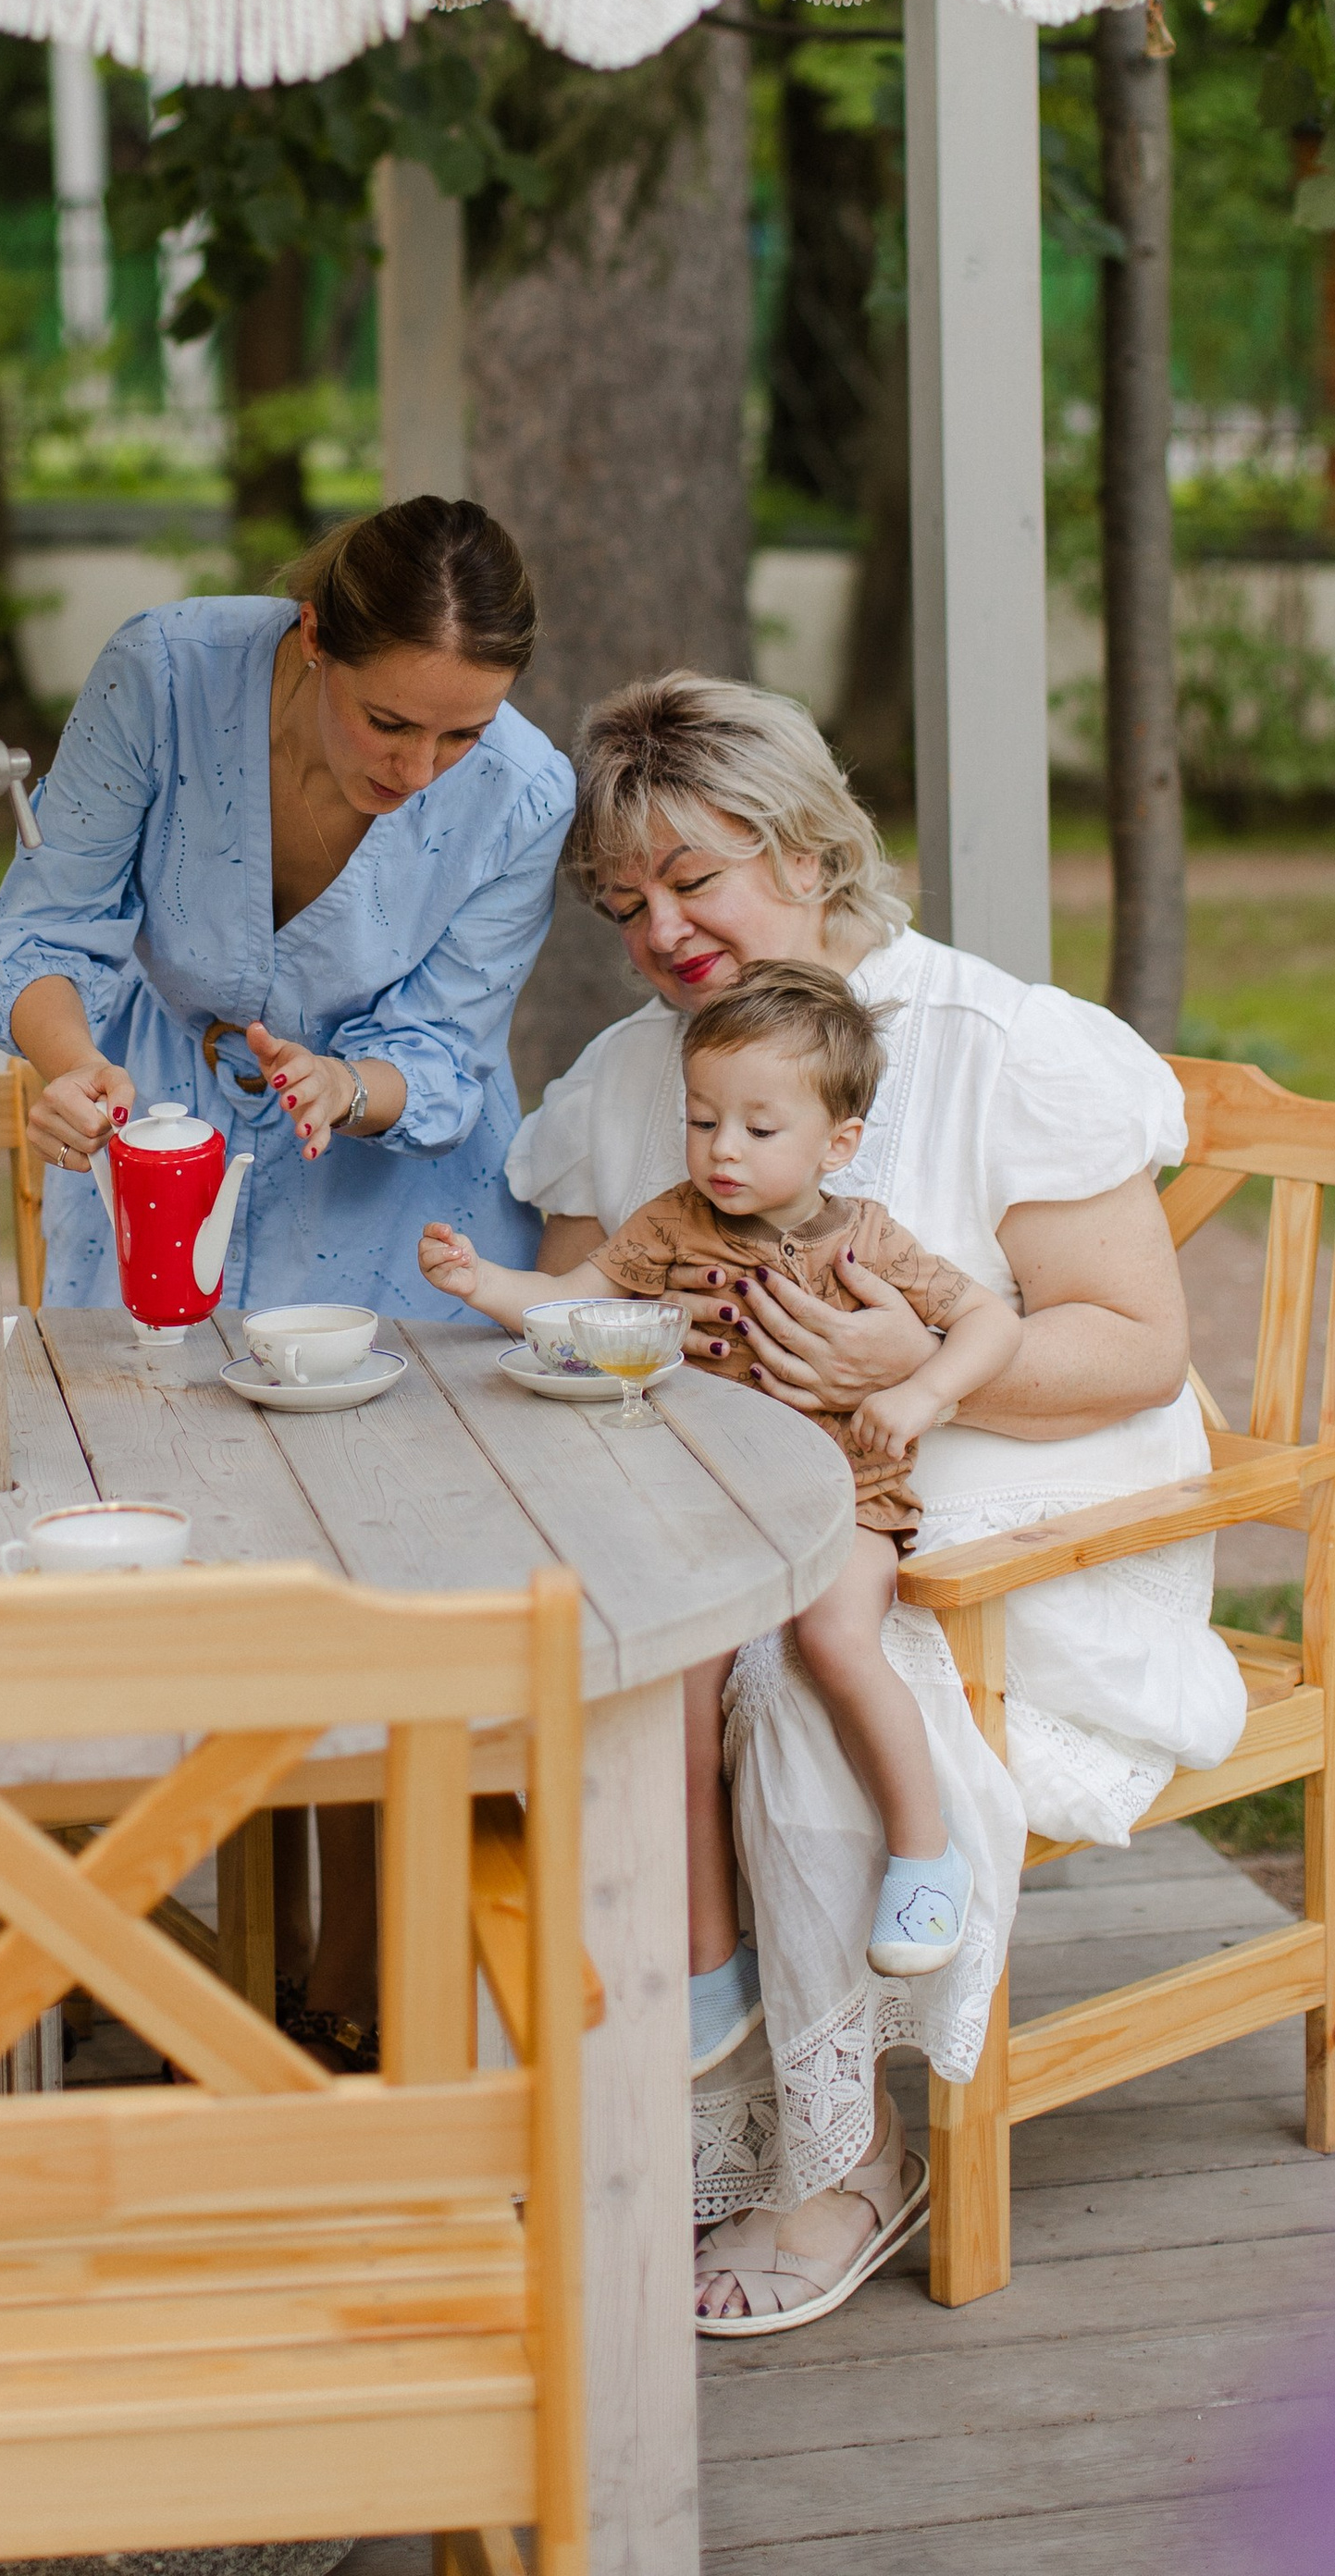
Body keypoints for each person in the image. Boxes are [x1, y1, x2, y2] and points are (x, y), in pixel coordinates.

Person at [508, 672, 1248, 2335]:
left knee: (784, 1670)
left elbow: (1137, 1347)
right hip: (733, 1517)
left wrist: (912, 1362)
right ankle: (658, 2101)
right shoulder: (645, 1072)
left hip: (1010, 1520)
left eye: (698, 879)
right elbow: (573, 1298)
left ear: (814, 848)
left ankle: (845, 2159)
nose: (666, 931)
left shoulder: (993, 1044)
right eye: (629, 903)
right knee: (582, 1649)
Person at [0, 494, 574, 2050]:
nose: (419, 773)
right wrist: (65, 1070)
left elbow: (444, 1041)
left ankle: (357, 2011)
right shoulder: (168, 675)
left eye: (463, 736)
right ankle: (181, 1966)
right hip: (166, 1146)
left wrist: (347, 1089)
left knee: (390, 1601)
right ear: (315, 636)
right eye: (392, 722)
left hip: (394, 1194)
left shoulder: (523, 792)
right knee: (187, 1559)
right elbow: (50, 927)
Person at [426, 956, 1021, 2052]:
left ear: (836, 1144)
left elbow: (988, 1320)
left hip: (845, 1496)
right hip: (709, 1507)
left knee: (838, 1636)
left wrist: (922, 1388)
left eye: (757, 1129)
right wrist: (483, 1289)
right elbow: (569, 1304)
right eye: (705, 1122)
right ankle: (711, 1953)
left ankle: (924, 1853)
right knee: (678, 1689)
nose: (723, 1152)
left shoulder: (866, 1240)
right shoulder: (668, 1225)